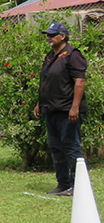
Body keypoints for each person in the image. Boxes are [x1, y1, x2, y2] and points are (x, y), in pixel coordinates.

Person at [33, 21, 87, 196]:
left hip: (67, 111)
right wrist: (39, 103)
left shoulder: (72, 55)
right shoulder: (50, 56)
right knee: (56, 147)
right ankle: (63, 184)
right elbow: (47, 81)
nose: (48, 38)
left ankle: (78, 185)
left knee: (71, 147)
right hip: (51, 109)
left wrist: (75, 107)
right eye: (47, 35)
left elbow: (79, 82)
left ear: (63, 36)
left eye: (52, 35)